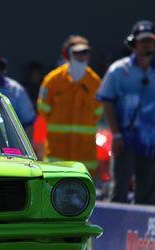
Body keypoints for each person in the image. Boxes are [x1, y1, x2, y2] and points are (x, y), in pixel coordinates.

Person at [96, 20, 155, 205]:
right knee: (119, 190)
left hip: (151, 141)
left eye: (150, 41)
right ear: (133, 43)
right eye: (143, 41)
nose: (147, 45)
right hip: (125, 140)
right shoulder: (119, 70)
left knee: (148, 192)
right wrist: (116, 134)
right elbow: (107, 102)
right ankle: (116, 223)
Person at [37, 35, 103, 175]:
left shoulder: (95, 82)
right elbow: (43, 110)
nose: (81, 56)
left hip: (84, 155)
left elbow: (98, 113)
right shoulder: (53, 80)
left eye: (84, 52)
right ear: (67, 54)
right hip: (57, 153)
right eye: (77, 52)